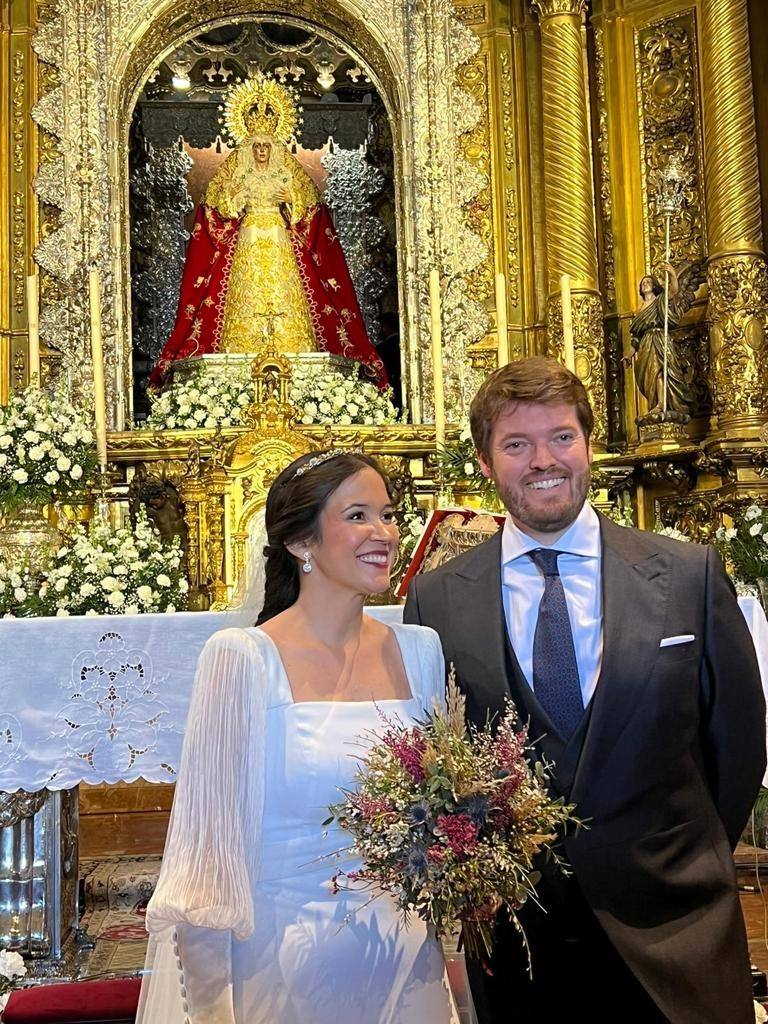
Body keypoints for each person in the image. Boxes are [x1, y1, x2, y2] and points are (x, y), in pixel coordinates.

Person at [404, 356, 765, 1024]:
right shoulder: (438, 599)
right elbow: (439, 753)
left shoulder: (686, 575)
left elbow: (737, 742)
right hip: (521, 945)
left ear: (588, 444)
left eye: (561, 437)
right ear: (486, 463)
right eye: (517, 444)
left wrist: (682, 852)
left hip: (677, 928)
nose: (544, 459)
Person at [136, 449, 458, 1024]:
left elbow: (439, 817)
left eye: (388, 514)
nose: (383, 532)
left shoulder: (420, 650)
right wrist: (213, 1009)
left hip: (407, 959)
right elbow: (206, 855)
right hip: (282, 965)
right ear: (301, 543)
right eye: (358, 515)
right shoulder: (241, 659)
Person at [149, 73, 386, 389]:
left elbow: (311, 209)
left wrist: (292, 200)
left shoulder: (287, 169)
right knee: (245, 296)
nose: (262, 150)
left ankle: (295, 357)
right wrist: (236, 199)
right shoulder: (236, 168)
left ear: (274, 145)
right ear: (249, 144)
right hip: (247, 240)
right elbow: (216, 206)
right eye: (257, 145)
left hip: (278, 240)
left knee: (286, 296)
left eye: (266, 146)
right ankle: (239, 358)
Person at [626, 262, 703, 417]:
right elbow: (636, 337)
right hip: (646, 343)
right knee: (650, 376)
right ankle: (655, 403)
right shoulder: (639, 310)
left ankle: (662, 405)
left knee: (661, 372)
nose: (645, 284)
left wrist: (673, 274)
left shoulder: (661, 299)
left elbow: (674, 291)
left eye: (648, 282)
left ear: (654, 285)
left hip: (661, 338)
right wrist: (629, 354)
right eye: (643, 283)